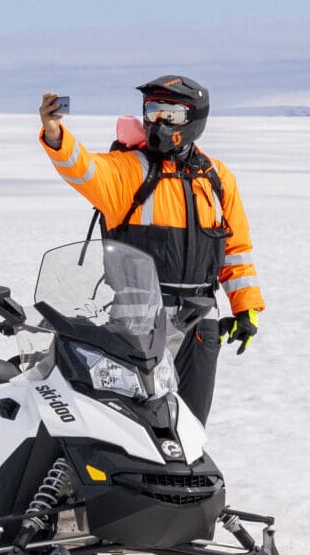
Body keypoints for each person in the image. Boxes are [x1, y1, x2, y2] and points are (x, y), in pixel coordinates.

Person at [38, 76, 262, 422]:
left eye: (169, 113)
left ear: (194, 119)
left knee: (189, 422)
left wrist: (246, 308)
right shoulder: (129, 170)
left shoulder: (217, 178)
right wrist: (56, 135)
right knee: (131, 420)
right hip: (138, 317)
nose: (158, 121)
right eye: (152, 111)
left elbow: (236, 250)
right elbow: (83, 168)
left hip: (202, 318)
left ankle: (185, 475)